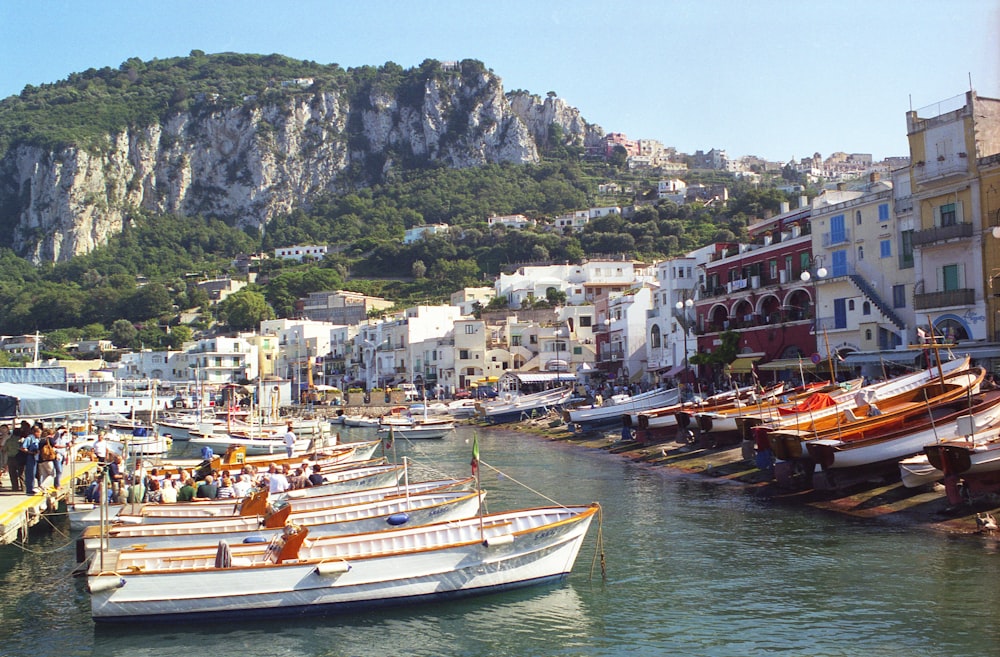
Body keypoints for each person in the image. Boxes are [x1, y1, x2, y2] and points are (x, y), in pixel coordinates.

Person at [20, 425, 41, 494]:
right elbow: (23, 448)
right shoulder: (29, 438)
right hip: (30, 457)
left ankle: (36, 487)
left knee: (36, 473)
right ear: (35, 432)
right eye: (39, 433)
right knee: (30, 473)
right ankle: (29, 489)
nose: (40, 434)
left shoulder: (37, 439)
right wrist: (31, 452)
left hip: (37, 458)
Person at [4, 425, 23, 491]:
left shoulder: (8, 440)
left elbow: (4, 449)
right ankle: (24, 487)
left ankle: (15, 487)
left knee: (12, 474)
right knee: (21, 473)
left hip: (10, 458)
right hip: (19, 458)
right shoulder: (21, 440)